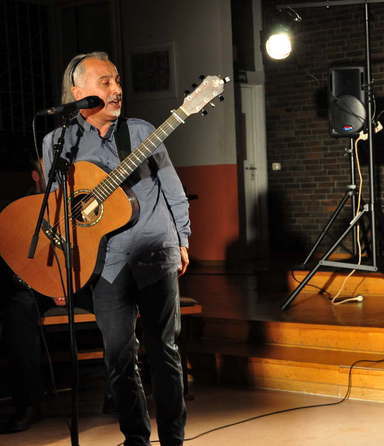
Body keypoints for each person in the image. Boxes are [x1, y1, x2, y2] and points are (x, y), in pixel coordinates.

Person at [42, 51, 191, 446]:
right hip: (104, 262)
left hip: (154, 250)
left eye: (118, 81)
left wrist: (183, 238)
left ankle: (173, 439)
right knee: (119, 358)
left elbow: (173, 189)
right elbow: (56, 213)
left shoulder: (141, 132)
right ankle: (136, 438)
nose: (117, 89)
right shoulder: (58, 143)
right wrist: (59, 266)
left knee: (165, 351)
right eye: (105, 82)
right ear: (78, 92)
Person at [0, 160, 66, 434]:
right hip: (34, 287)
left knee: (118, 295)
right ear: (36, 176)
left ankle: (119, 394)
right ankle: (28, 403)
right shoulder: (17, 209)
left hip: (73, 281)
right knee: (18, 310)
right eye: (48, 172)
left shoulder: (69, 201)